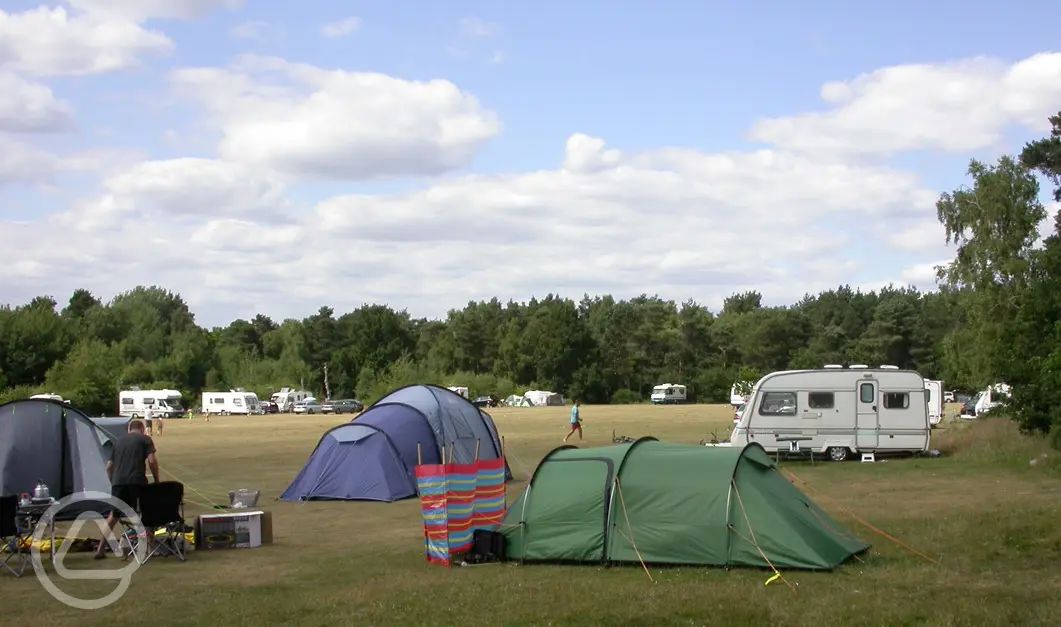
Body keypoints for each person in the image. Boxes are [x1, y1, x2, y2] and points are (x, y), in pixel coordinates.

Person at [94, 420, 160, 559]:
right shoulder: (145, 439)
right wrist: (157, 480)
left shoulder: (118, 442)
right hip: (137, 482)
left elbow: (109, 466)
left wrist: (113, 481)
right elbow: (152, 461)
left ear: (129, 429)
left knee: (114, 516)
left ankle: (100, 549)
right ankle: (149, 546)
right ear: (142, 429)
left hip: (118, 483)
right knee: (146, 512)